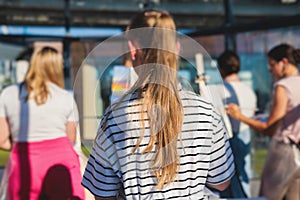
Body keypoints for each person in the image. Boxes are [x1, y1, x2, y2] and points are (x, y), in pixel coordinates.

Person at [82, 10, 234, 199]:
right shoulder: (206, 112)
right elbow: (221, 182)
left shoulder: (115, 118)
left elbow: (102, 193)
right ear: (177, 47)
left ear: (132, 49)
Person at [0, 47, 84, 199]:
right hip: (60, 160)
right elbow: (71, 138)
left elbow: (1, 139)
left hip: (25, 159)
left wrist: (25, 147)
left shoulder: (9, 94)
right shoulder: (65, 97)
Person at [226, 43, 300, 200]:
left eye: (272, 64)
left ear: (284, 62)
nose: (269, 69)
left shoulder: (282, 86)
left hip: (284, 154)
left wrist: (239, 116)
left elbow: (269, 128)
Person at [216, 50, 257, 198]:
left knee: (231, 181)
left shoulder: (219, 90)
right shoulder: (249, 90)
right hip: (246, 135)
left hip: (228, 137)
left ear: (220, 69)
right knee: (244, 177)